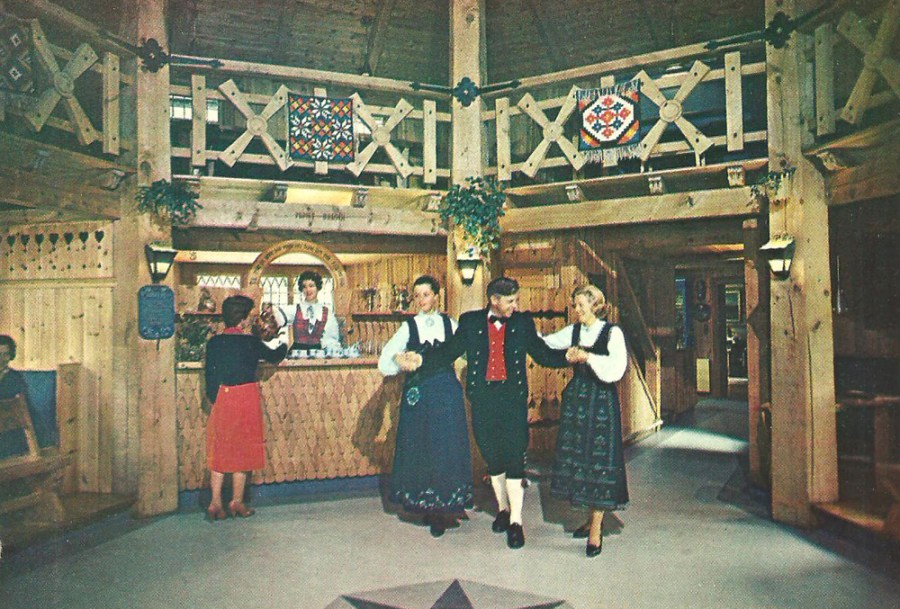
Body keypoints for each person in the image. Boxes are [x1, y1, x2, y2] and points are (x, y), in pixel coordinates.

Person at [414, 276, 568, 549]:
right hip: (483, 398)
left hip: (512, 399)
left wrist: (569, 358)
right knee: (492, 456)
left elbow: (542, 354)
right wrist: (420, 359)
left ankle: (516, 522)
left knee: (514, 457)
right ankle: (503, 510)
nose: (515, 305)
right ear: (494, 300)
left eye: (516, 300)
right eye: (510, 301)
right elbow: (449, 352)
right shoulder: (471, 322)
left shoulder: (522, 323)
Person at [378, 275, 473, 537]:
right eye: (417, 295)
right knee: (422, 446)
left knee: (446, 446)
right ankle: (428, 508)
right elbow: (385, 362)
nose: (421, 300)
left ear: (437, 296)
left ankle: (446, 505)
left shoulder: (450, 324)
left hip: (446, 392)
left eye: (426, 294)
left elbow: (468, 352)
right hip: (419, 394)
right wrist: (400, 360)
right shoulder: (409, 327)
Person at [541, 285, 628, 557]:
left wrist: (587, 356)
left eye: (580, 305)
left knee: (599, 460)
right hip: (577, 401)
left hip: (601, 400)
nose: (576, 310)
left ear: (595, 305)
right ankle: (591, 520)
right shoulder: (574, 331)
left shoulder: (612, 333)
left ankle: (596, 528)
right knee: (582, 459)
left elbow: (617, 368)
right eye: (575, 305)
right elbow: (548, 342)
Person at [204, 295, 288, 520]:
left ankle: (215, 503)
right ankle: (237, 502)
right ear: (242, 320)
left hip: (224, 396)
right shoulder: (251, 342)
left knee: (220, 449)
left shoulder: (214, 343)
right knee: (244, 451)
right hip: (246, 397)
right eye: (249, 316)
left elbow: (209, 377)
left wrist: (216, 398)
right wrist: (284, 338)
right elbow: (275, 355)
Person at [274, 270, 340, 352]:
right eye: (304, 287)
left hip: (318, 354)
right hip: (297, 354)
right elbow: (275, 319)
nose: (308, 290)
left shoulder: (327, 313)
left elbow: (331, 340)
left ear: (318, 287)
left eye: (311, 286)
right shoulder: (294, 310)